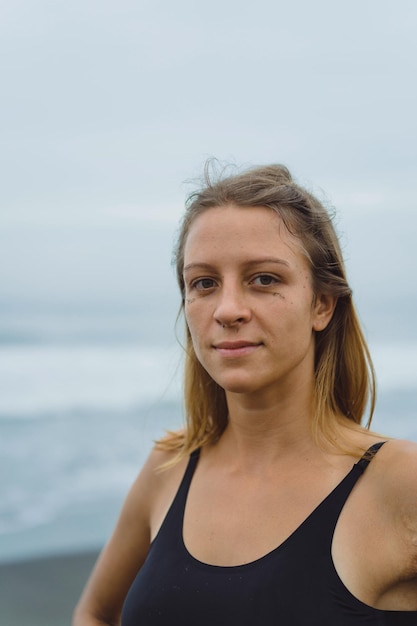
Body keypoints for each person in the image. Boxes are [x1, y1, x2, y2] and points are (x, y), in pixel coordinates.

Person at [73, 164, 417, 625]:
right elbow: (94, 613)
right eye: (204, 283)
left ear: (322, 304)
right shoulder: (169, 467)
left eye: (264, 279)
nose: (227, 309)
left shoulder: (400, 483)